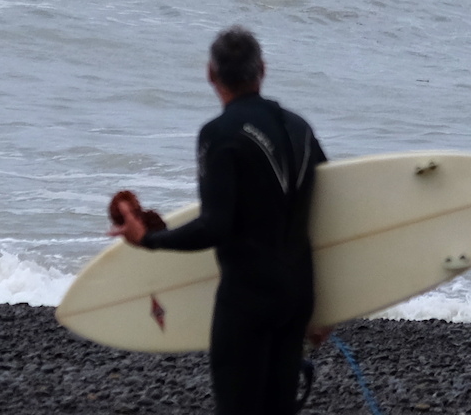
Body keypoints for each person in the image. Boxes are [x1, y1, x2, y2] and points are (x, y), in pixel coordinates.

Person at [110, 27, 327, 415]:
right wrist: (330, 309)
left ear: (211, 74)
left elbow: (215, 226)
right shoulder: (301, 128)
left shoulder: (219, 135)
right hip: (297, 296)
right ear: (262, 69)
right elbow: (332, 214)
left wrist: (148, 239)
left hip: (248, 299)